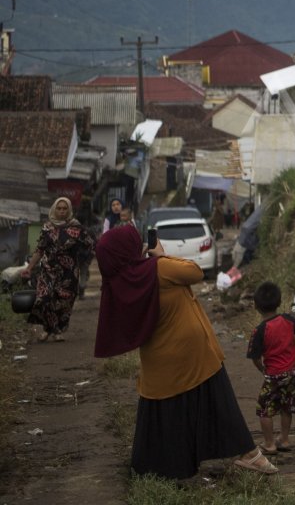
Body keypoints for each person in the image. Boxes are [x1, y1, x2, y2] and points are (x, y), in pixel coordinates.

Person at [94, 224, 275, 478]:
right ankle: (248, 454)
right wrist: (161, 254)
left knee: (164, 414)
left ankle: (161, 467)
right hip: (193, 351)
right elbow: (195, 271)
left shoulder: (120, 282)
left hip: (158, 358)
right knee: (219, 404)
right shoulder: (158, 268)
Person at [247, 281, 295, 454]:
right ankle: (284, 439)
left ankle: (269, 444)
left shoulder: (260, 330)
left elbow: (255, 357)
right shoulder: (288, 319)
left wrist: (263, 369)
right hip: (292, 373)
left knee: (264, 410)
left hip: (274, 375)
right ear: (279, 302)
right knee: (286, 406)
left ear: (256, 306)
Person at [21, 197, 94, 342]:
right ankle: (50, 329)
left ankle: (56, 330)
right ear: (54, 209)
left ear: (69, 210)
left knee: (64, 302)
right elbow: (40, 249)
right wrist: (29, 268)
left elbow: (90, 245)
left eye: (64, 208)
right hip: (48, 270)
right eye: (59, 208)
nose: (61, 211)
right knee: (44, 298)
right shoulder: (47, 228)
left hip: (69, 272)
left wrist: (84, 258)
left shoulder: (77, 228)